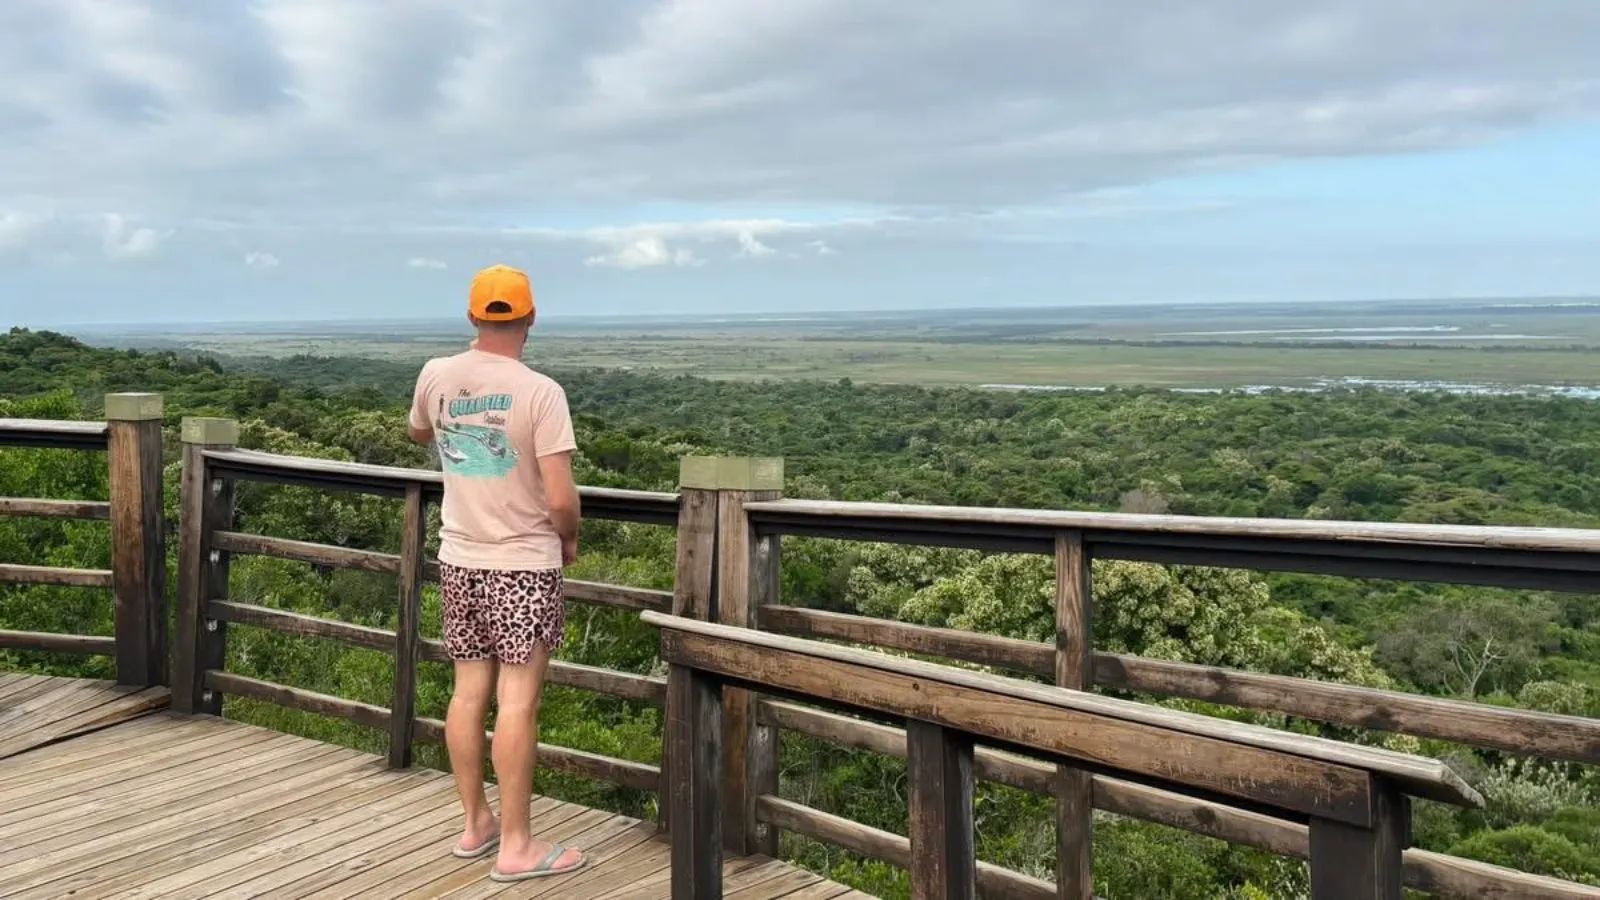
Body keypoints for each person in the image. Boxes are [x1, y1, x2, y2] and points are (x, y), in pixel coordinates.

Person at [407, 264, 585, 882]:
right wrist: (569, 539)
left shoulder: (436, 373)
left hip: (460, 556)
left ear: (472, 316)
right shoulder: (542, 393)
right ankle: (516, 847)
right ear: (531, 317)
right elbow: (561, 498)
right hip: (522, 564)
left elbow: (418, 431)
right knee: (518, 702)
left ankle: (475, 823)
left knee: (466, 694)